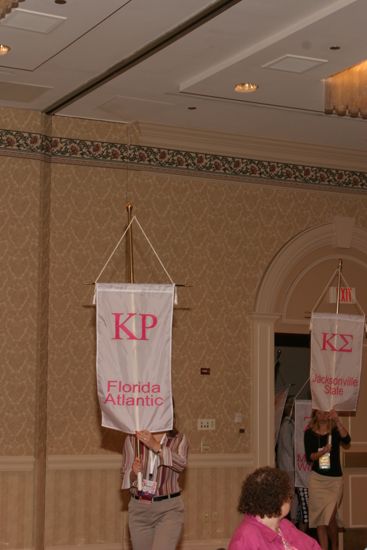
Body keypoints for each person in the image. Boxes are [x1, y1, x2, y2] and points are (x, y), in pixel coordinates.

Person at [121, 422, 188, 550]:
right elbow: (125, 477)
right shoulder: (132, 439)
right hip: (139, 509)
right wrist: (134, 473)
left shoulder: (178, 439)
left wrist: (155, 445)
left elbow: (181, 464)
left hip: (169, 509)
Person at [228, 466, 321, 549]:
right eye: (288, 495)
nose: (290, 499)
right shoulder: (246, 537)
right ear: (277, 499)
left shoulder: (284, 525)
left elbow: (313, 546)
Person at [304, 409, 351, 550]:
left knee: (329, 517)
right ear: (315, 414)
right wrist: (323, 452)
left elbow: (347, 440)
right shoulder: (309, 433)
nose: (323, 415)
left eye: (325, 412)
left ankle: (335, 546)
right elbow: (309, 457)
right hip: (317, 480)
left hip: (335, 480)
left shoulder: (335, 430)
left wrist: (337, 420)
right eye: (319, 412)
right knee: (320, 520)